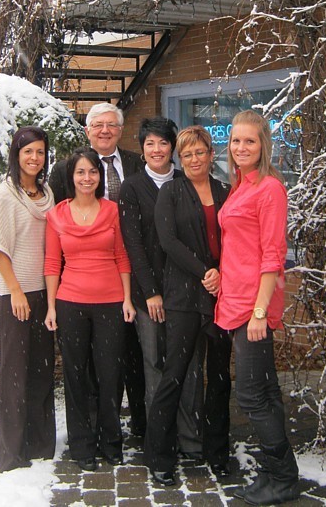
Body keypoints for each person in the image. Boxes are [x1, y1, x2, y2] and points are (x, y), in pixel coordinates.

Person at [215, 110, 301, 505]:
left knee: (251, 394)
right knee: (265, 390)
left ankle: (281, 476)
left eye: (249, 140)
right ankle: (277, 472)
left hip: (254, 306)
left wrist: (261, 312)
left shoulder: (269, 189)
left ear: (263, 144)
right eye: (235, 140)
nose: (241, 147)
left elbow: (273, 255)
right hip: (235, 299)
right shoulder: (240, 186)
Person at [48, 102, 146, 436]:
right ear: (87, 131)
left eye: (112, 125)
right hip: (77, 285)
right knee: (86, 365)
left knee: (127, 360)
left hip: (127, 278)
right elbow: (58, 228)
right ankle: (89, 427)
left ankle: (134, 426)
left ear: (121, 129)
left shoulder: (137, 163)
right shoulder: (66, 170)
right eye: (97, 125)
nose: (105, 130)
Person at [144, 125, 232, 487]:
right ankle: (159, 455)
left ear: (212, 155)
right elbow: (168, 242)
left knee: (220, 378)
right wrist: (206, 271)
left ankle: (217, 452)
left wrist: (222, 273)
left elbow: (237, 238)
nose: (194, 159)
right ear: (181, 159)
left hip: (224, 297)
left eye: (200, 152)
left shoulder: (226, 192)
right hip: (184, 296)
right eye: (187, 154)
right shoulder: (171, 192)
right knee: (175, 374)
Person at [44, 147, 136, 472]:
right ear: (71, 177)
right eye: (81, 172)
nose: (87, 178)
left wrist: (127, 298)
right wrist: (52, 307)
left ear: (100, 176)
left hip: (111, 303)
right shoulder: (57, 214)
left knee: (111, 375)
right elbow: (53, 263)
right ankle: (82, 444)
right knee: (76, 375)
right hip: (70, 304)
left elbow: (122, 257)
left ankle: (111, 442)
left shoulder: (113, 210)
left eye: (92, 172)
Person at [119, 117, 203, 460]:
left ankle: (192, 439)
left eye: (163, 143)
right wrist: (151, 291)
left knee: (188, 365)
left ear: (173, 148)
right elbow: (134, 245)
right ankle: (161, 441)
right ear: (142, 149)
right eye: (150, 143)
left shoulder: (187, 183)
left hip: (186, 293)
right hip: (148, 294)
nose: (157, 150)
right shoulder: (132, 188)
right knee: (155, 366)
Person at [0, 125, 56, 473]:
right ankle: (11, 454)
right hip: (15, 294)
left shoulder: (46, 192)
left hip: (44, 293)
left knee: (41, 373)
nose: (34, 158)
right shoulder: (5, 195)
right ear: (16, 155)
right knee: (13, 375)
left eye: (40, 151)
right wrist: (15, 289)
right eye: (28, 151)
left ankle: (41, 444)